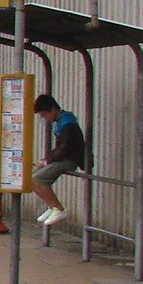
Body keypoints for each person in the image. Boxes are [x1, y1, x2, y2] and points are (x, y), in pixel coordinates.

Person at [31, 93, 85, 226]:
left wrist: (47, 161)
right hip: (63, 157)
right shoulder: (61, 121)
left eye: (44, 115)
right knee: (31, 177)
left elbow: (66, 146)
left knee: (38, 179)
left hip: (69, 159)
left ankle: (59, 209)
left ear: (53, 109)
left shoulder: (67, 122)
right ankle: (52, 206)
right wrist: (46, 159)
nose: (45, 118)